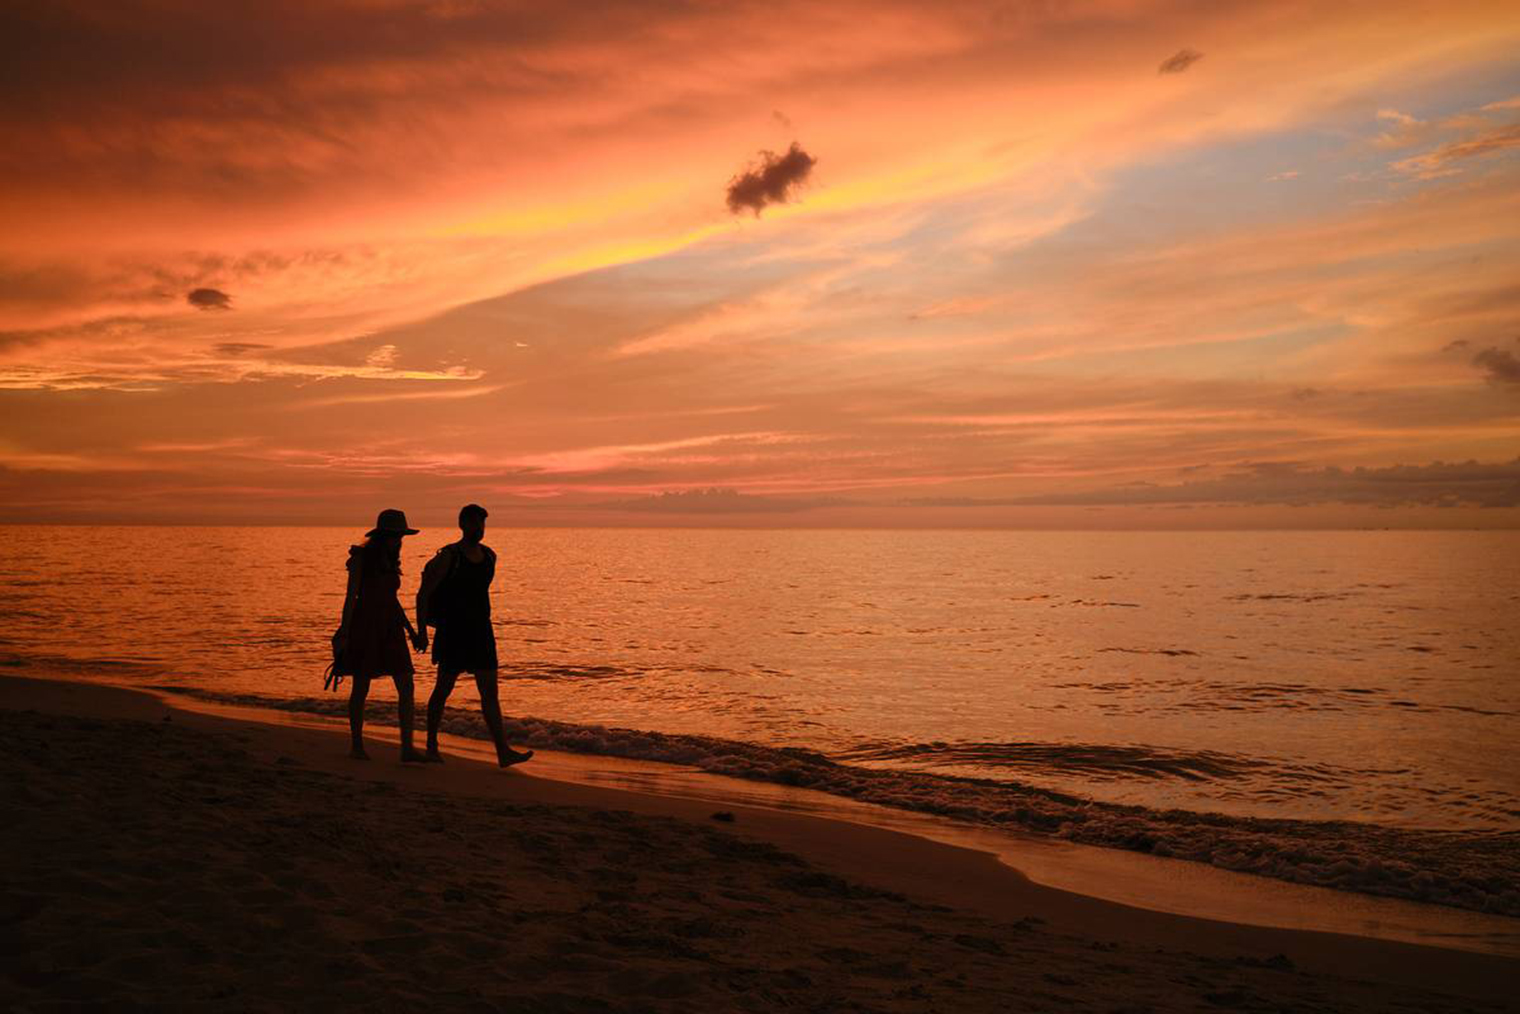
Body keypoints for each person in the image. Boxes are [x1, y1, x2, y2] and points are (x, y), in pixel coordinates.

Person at [416, 503, 533, 767]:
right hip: (453, 631)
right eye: (473, 523)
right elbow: (422, 595)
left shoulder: (490, 556)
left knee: (490, 692)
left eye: (482, 524)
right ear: (462, 524)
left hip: (481, 630)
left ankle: (503, 752)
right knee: (443, 689)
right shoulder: (448, 556)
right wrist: (422, 632)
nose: (479, 528)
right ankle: (431, 746)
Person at [340, 508, 427, 763]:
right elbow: (350, 598)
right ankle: (356, 745)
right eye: (395, 535)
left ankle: (407, 748)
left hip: (391, 627)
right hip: (365, 624)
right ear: (382, 536)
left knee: (406, 683)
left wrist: (411, 631)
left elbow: (392, 600)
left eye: (400, 536)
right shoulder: (361, 558)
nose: (398, 540)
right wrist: (344, 633)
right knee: (361, 685)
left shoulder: (391, 561)